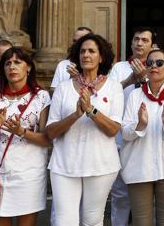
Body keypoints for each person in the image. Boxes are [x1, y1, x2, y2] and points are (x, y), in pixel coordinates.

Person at [45, 33, 123, 226]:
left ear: (101, 57)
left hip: (100, 165)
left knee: (92, 220)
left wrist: (90, 110)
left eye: (91, 51)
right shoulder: (63, 88)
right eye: (82, 51)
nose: (86, 55)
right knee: (64, 221)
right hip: (64, 164)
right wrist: (75, 115)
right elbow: (50, 131)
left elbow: (113, 129)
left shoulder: (114, 88)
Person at [0, 47, 51, 226]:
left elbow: (47, 140)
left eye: (18, 62)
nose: (12, 67)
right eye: (7, 63)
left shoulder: (41, 97)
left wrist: (22, 132)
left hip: (28, 174)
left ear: (29, 67)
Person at [121, 49, 164, 225]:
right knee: (141, 222)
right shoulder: (135, 95)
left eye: (159, 63)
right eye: (149, 63)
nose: (154, 66)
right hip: (139, 167)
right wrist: (140, 125)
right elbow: (125, 133)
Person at [108, 27, 155, 226]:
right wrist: (131, 79)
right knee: (120, 193)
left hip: (148, 138)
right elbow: (109, 95)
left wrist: (145, 78)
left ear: (151, 46)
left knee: (147, 193)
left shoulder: (157, 65)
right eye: (136, 39)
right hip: (120, 136)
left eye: (144, 40)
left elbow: (160, 98)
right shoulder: (119, 67)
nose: (139, 43)